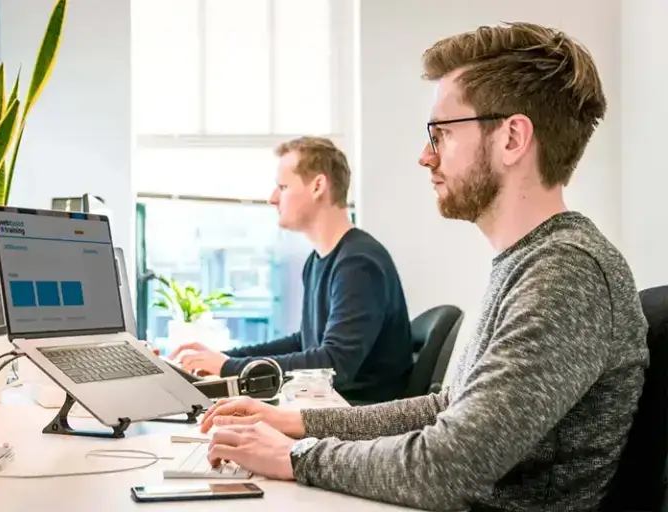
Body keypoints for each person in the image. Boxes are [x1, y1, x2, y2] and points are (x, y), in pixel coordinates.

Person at [195, 22, 650, 511]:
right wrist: (299, 423)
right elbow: (447, 408)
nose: (425, 156)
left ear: (512, 138)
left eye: (442, 134)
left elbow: (448, 465)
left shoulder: (566, 273)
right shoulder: (531, 261)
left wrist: (296, 456)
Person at [170, 136, 414, 405]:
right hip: (327, 407)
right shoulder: (319, 260)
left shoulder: (358, 264)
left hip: (357, 418)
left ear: (318, 186)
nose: (272, 198)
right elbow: (305, 342)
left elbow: (334, 366)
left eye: (283, 187)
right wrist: (225, 359)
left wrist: (229, 367)